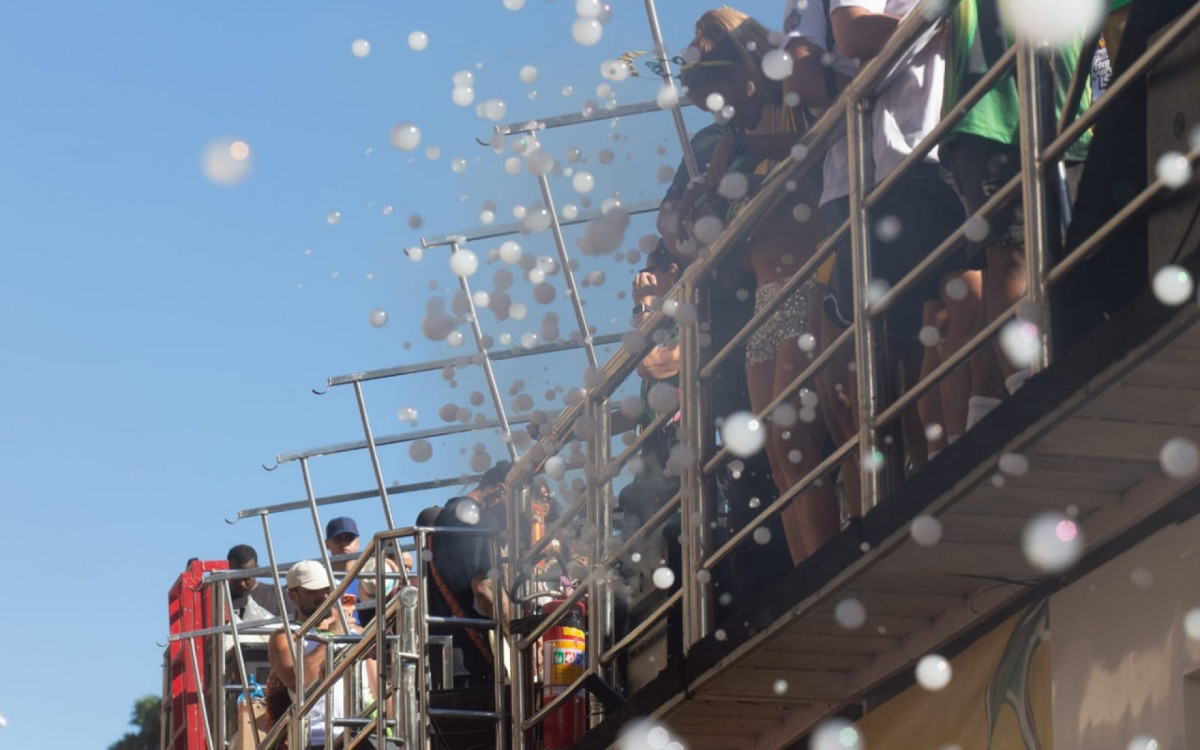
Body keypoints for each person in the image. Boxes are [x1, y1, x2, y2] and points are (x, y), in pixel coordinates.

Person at [676, 8, 840, 565]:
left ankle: (828, 564)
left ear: (740, 65)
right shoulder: (731, 143)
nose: (717, 110)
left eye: (714, 91)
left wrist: (747, 150)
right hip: (765, 303)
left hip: (808, 279)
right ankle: (811, 570)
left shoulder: (789, 111)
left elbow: (820, 151)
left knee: (800, 445)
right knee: (778, 455)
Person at [266, 560, 375, 749]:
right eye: (313, 591)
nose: (324, 595)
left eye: (327, 588)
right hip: (318, 739)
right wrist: (333, 636)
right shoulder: (285, 636)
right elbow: (300, 683)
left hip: (366, 734)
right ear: (293, 596)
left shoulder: (357, 632)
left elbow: (378, 688)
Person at [427, 462, 513, 688]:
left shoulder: (450, 514)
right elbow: (485, 588)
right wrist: (522, 634)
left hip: (452, 657)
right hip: (472, 660)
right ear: (501, 491)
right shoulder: (478, 519)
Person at [227, 544, 290, 621]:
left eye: (247, 578)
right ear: (227, 570)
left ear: (257, 570)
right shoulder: (217, 598)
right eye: (237, 578)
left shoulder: (277, 594)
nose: (242, 584)